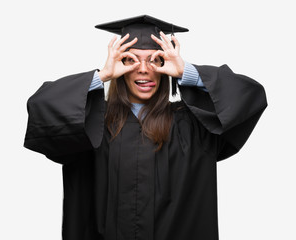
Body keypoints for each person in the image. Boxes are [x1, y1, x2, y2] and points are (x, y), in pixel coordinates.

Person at [24, 15, 267, 240]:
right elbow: (41, 109)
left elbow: (252, 96)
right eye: (130, 60)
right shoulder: (93, 124)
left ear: (166, 66)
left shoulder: (193, 125)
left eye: (155, 60)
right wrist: (102, 75)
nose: (143, 69)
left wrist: (186, 72)